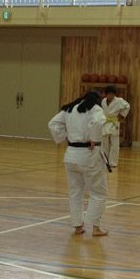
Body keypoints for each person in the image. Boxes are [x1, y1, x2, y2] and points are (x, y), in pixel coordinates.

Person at [48, 91, 109, 237]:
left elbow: (52, 124)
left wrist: (64, 137)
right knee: (98, 193)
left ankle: (78, 226)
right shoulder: (95, 109)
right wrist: (94, 138)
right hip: (89, 155)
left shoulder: (69, 109)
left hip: (71, 154)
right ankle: (95, 228)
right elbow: (98, 122)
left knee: (75, 193)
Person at [100, 85, 130, 169]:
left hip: (114, 122)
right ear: (106, 94)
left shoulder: (119, 101)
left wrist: (122, 115)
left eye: (112, 94)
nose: (111, 96)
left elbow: (127, 106)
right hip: (105, 122)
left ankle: (113, 162)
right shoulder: (103, 101)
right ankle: (105, 161)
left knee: (115, 144)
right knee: (104, 143)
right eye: (109, 94)